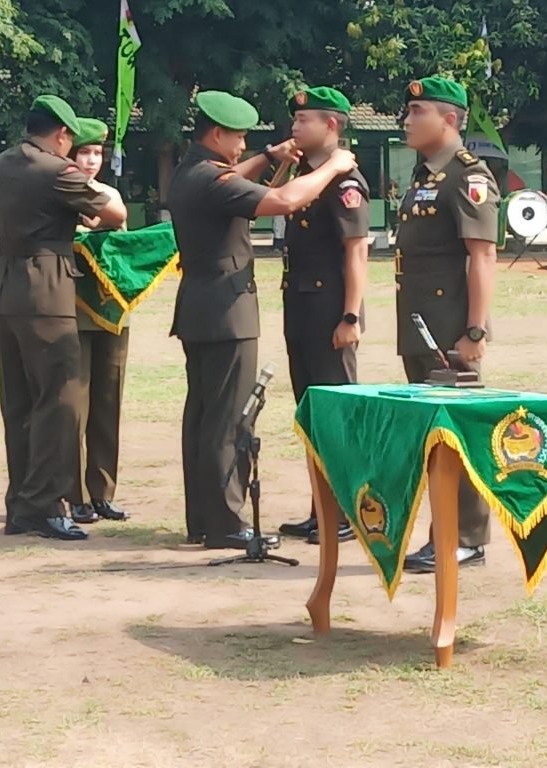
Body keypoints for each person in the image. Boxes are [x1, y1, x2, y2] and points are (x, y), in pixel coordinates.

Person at [168, 90, 357, 549]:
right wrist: (334, 167)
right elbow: (285, 200)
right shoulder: (212, 181)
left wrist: (267, 157)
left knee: (203, 414)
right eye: (238, 137)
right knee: (230, 419)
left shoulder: (190, 171)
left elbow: (234, 176)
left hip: (200, 307)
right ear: (217, 134)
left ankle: (205, 519)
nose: (243, 144)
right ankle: (228, 522)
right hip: (227, 312)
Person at [0, 95, 128, 540]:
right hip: (46, 290)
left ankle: (21, 504)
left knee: (20, 405)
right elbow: (114, 213)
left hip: (6, 287)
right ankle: (47, 505)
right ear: (62, 135)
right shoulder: (56, 171)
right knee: (60, 400)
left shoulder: (0, 163)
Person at [395, 76, 499, 574]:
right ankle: (444, 534)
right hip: (420, 326)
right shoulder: (425, 175)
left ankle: (466, 538)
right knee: (434, 435)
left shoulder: (466, 176)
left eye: (418, 111)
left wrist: (475, 331)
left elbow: (482, 257)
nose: (408, 120)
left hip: (450, 330)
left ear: (450, 119)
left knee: (455, 432)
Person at [275, 86, 370, 546]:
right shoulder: (304, 175)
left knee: (338, 415)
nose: (295, 126)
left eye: (304, 120)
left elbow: (356, 252)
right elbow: (268, 199)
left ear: (331, 125)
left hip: (331, 309)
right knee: (311, 414)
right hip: (301, 306)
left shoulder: (344, 182)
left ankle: (347, 511)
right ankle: (322, 509)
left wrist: (351, 316)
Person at [61, 118, 132, 526]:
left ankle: (103, 492)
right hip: (72, 308)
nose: (91, 161)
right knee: (77, 405)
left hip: (110, 310)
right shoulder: (63, 190)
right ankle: (74, 495)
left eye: (96, 154)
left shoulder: (110, 194)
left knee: (108, 403)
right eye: (84, 152)